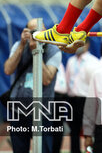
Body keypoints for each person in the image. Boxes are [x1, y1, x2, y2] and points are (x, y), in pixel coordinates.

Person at [3, 19, 62, 153]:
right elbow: (7, 70)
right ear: (26, 32)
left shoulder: (54, 50)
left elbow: (46, 79)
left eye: (41, 31)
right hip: (19, 109)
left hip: (42, 110)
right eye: (33, 31)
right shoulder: (19, 45)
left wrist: (37, 51)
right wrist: (22, 45)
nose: (37, 35)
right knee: (19, 148)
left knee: (43, 149)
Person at [65, 38, 99, 153]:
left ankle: (90, 151)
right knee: (73, 130)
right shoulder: (71, 61)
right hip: (72, 100)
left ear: (87, 45)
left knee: (89, 130)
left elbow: (95, 84)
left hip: (87, 100)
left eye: (80, 44)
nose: (78, 46)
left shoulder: (94, 62)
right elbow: (68, 79)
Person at [52, 62, 67, 153]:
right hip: (50, 97)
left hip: (60, 98)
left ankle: (56, 150)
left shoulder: (60, 64)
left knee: (59, 128)